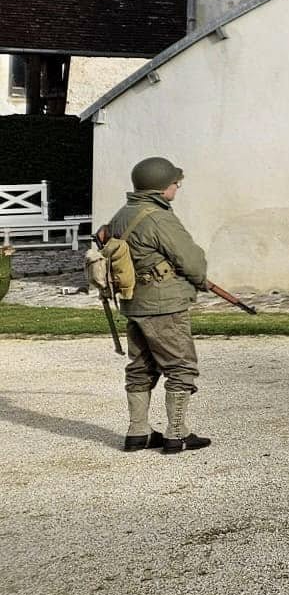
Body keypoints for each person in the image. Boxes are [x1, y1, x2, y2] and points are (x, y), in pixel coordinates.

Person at [104, 156, 211, 454]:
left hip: (134, 304)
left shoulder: (123, 214)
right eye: (175, 183)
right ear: (162, 187)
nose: (177, 187)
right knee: (180, 365)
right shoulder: (159, 217)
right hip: (164, 305)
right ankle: (177, 433)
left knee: (140, 366)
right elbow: (190, 259)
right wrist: (200, 278)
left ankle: (137, 432)